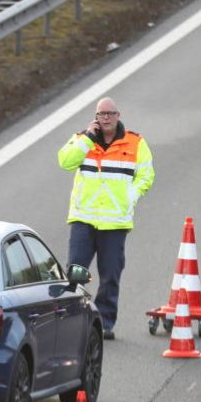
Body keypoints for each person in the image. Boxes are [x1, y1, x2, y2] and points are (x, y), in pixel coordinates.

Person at [57, 96, 155, 339]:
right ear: (96, 117)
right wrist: (87, 139)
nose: (107, 118)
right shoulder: (83, 139)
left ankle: (104, 323)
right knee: (76, 272)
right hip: (84, 218)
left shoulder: (135, 143)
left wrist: (129, 197)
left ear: (118, 115)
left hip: (115, 222)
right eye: (102, 114)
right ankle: (73, 322)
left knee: (110, 274)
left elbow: (146, 175)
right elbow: (65, 162)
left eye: (111, 113)